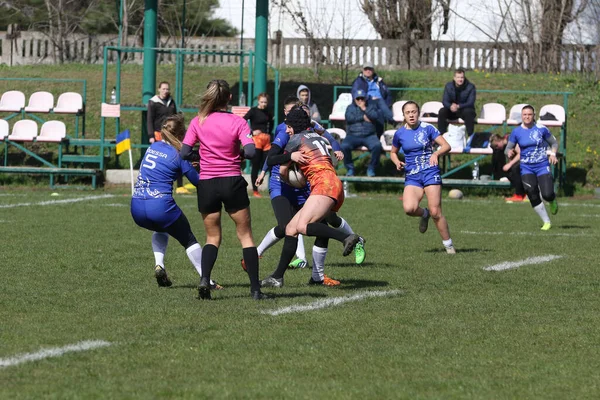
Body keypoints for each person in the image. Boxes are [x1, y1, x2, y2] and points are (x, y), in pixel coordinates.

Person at [252, 98, 363, 286]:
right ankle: (277, 277)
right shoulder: (316, 137)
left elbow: (272, 161)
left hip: (324, 186)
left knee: (303, 226)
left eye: (288, 126)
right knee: (291, 229)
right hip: (330, 183)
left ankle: (347, 237)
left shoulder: (296, 140)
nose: (286, 130)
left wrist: (289, 157)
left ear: (294, 126)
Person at [180, 79, 267, 300]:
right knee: (246, 237)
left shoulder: (198, 121)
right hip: (231, 181)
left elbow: (184, 153)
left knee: (212, 237)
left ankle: (204, 280)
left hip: (207, 183)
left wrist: (200, 157)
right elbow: (251, 152)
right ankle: (256, 290)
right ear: (229, 98)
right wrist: (235, 154)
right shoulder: (237, 122)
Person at [130, 113, 221, 291]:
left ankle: (159, 265)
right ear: (181, 135)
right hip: (161, 206)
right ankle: (207, 281)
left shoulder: (153, 146)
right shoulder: (179, 154)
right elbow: (198, 182)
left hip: (137, 206)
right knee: (188, 239)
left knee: (161, 228)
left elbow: (161, 168)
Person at [390, 101, 456, 254]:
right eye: (408, 112)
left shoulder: (427, 128)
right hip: (412, 175)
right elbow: (393, 152)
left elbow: (446, 146)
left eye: (414, 112)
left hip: (430, 172)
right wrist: (396, 162)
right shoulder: (399, 133)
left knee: (436, 212)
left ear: (418, 113)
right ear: (404, 115)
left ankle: (449, 246)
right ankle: (423, 213)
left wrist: (436, 153)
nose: (411, 115)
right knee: (409, 208)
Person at [505, 105, 559, 230]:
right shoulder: (516, 132)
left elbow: (554, 143)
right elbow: (508, 147)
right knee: (531, 193)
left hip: (542, 165)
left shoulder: (541, 129)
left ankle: (552, 200)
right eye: (524, 114)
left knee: (547, 194)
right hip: (526, 167)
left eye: (529, 114)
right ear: (522, 116)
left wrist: (553, 153)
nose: (527, 117)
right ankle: (546, 221)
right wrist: (508, 152)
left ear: (534, 116)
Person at [146, 81, 189, 194]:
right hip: (159, 134)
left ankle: (180, 186)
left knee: (177, 156)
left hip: (172, 135)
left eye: (167, 89)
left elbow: (175, 118)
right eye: (163, 89)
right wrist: (151, 135)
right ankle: (156, 183)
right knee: (161, 159)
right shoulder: (153, 102)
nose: (166, 91)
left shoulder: (171, 102)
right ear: (159, 89)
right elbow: (149, 120)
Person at [342, 89, 385, 177]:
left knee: (377, 146)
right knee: (344, 146)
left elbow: (375, 116)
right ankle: (350, 168)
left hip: (369, 135)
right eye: (358, 99)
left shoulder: (371, 106)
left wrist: (364, 109)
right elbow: (349, 118)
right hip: (353, 135)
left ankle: (371, 168)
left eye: (362, 98)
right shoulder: (350, 108)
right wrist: (363, 117)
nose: (360, 101)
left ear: (366, 98)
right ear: (354, 99)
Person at [243, 92, 274, 198]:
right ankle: (255, 190)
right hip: (257, 140)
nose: (264, 104)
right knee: (255, 165)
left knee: (268, 164)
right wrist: (251, 132)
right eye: (262, 102)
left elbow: (271, 123)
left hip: (266, 140)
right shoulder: (253, 111)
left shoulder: (268, 112)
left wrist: (269, 133)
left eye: (265, 102)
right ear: (258, 101)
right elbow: (243, 121)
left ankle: (272, 188)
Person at [437, 68, 477, 137]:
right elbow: (445, 101)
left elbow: (470, 102)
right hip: (452, 111)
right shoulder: (448, 86)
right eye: (458, 77)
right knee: (442, 111)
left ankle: (470, 138)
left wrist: (458, 106)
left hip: (465, 110)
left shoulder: (471, 87)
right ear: (454, 78)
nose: (460, 79)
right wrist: (450, 106)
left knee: (469, 112)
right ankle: (441, 137)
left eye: (462, 77)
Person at [490, 133, 527, 203]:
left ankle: (519, 195)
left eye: (496, 145)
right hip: (522, 161)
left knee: (516, 169)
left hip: (528, 159)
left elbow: (521, 153)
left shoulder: (511, 140)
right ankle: (522, 194)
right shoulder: (505, 146)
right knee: (510, 171)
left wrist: (510, 164)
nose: (497, 148)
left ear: (499, 140)